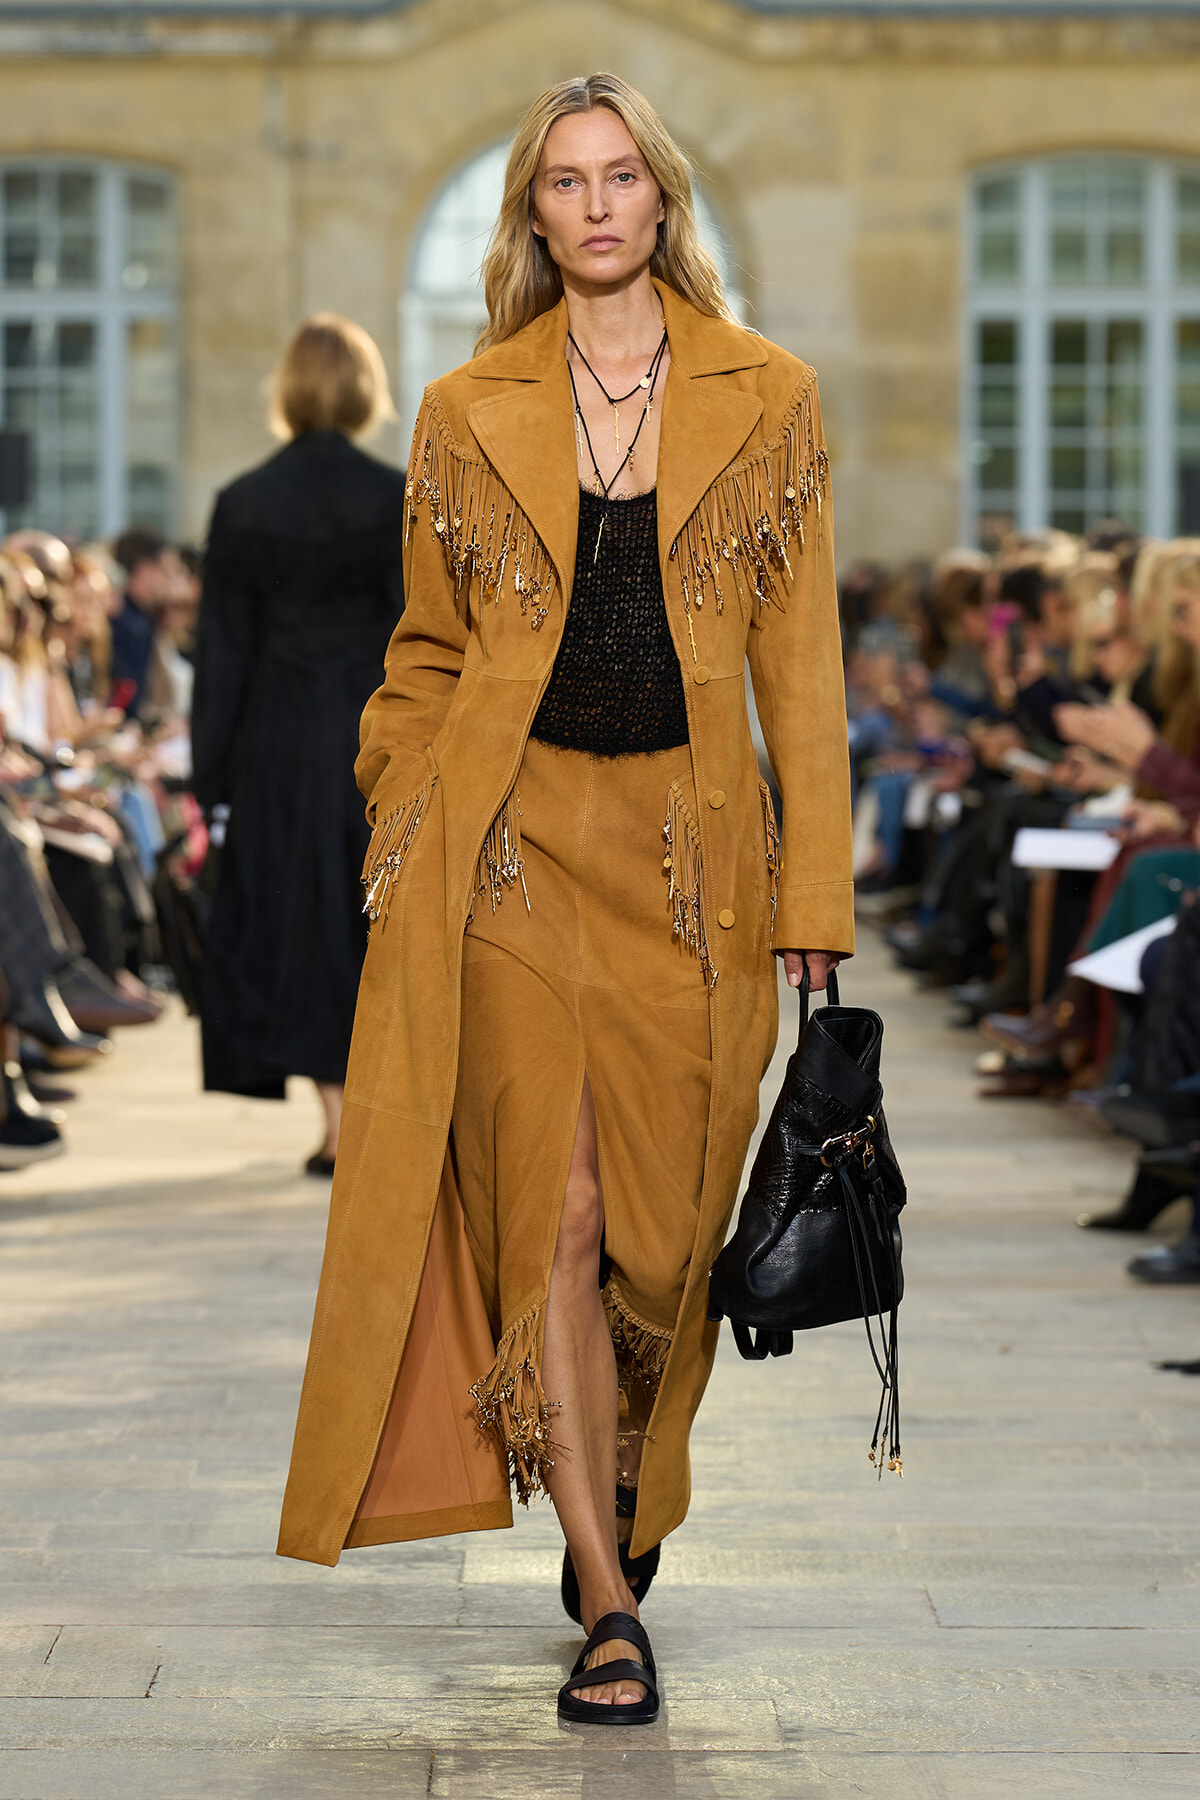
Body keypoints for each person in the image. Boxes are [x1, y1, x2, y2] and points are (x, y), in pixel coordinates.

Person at [276, 75, 853, 1722]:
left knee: (671, 1248)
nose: (596, 205)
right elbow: (425, 658)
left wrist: (818, 886)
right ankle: (607, 1593)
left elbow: (803, 675)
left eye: (622, 178)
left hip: (694, 862)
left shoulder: (776, 397)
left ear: (664, 204)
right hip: (513, 851)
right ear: (531, 217)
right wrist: (408, 812)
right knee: (563, 1209)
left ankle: (628, 1472)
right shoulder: (466, 409)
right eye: (563, 183)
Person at [191, 313, 405, 1170]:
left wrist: (210, 781)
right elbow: (418, 634)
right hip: (374, 736)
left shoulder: (244, 503)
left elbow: (223, 652)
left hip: (277, 740)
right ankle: (368, 1119)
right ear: (365, 391)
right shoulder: (397, 496)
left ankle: (339, 1122)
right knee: (375, 924)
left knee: (300, 926)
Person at [110, 529, 183, 716]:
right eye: (167, 572)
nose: (171, 583)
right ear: (144, 570)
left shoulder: (146, 619)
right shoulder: (118, 619)